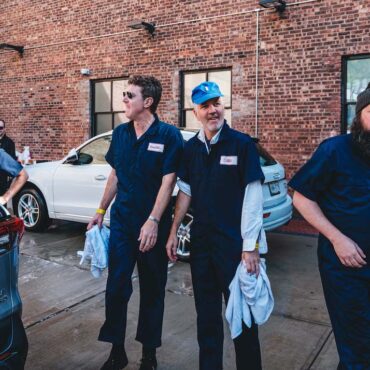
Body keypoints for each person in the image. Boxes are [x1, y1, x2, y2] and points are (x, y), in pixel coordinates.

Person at [166, 81, 265, 370]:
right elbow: (185, 191)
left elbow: (253, 198)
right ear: (195, 112)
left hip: (235, 248)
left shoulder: (242, 144)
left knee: (243, 319)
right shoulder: (191, 148)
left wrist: (251, 246)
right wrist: (174, 231)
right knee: (206, 319)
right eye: (205, 106)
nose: (213, 111)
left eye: (217, 104)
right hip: (202, 246)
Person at [87, 75, 183, 370]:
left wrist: (154, 221)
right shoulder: (121, 133)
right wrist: (101, 210)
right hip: (123, 224)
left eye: (129, 95)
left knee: (153, 289)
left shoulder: (168, 135)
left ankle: (149, 355)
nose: (124, 100)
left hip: (152, 227)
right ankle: (117, 350)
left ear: (148, 102)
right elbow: (115, 174)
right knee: (116, 287)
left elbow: (169, 182)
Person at [289, 83, 370, 369]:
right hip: (345, 266)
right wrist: (338, 239)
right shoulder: (335, 150)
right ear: (359, 115)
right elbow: (301, 197)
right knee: (357, 344)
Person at [0, 119, 17, 195]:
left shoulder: (10, 143)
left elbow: (13, 160)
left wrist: (10, 176)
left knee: (2, 202)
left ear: (4, 129)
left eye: (0, 128)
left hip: (3, 178)